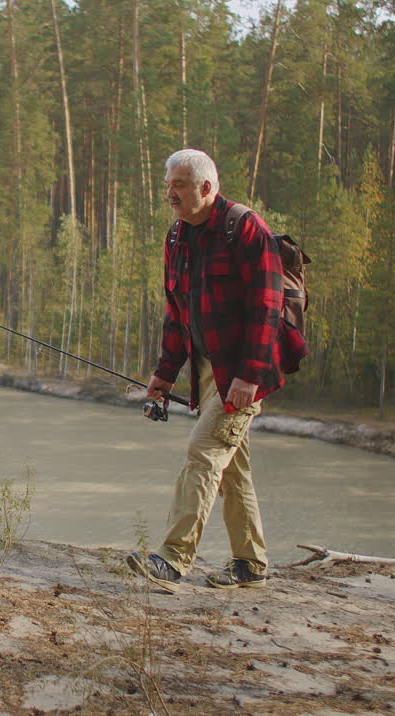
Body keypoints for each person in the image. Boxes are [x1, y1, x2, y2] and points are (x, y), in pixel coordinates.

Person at [127, 148, 292, 593]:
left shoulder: (246, 229)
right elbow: (177, 313)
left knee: (203, 452)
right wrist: (163, 375)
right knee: (232, 467)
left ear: (206, 187)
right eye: (168, 185)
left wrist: (249, 376)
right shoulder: (177, 237)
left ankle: (174, 559)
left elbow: (268, 307)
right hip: (207, 369)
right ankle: (251, 564)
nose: (170, 194)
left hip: (242, 372)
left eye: (178, 185)